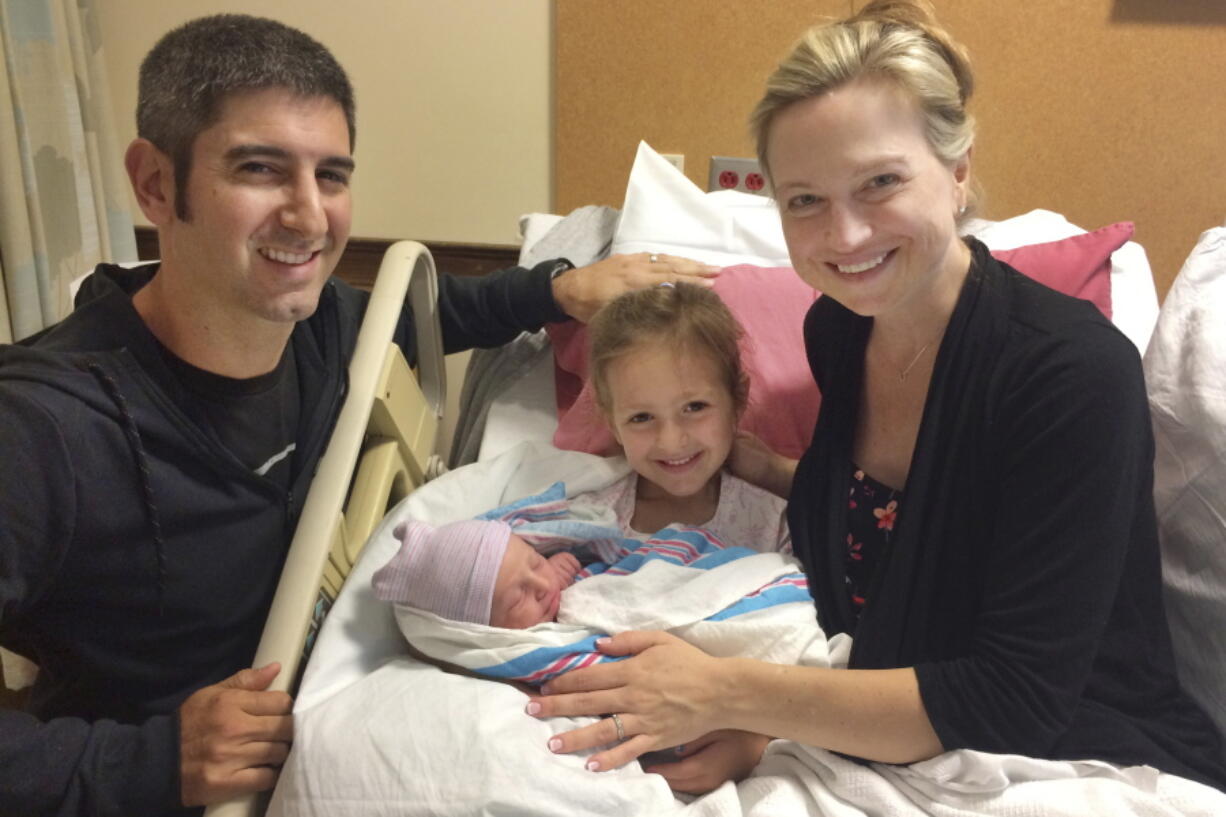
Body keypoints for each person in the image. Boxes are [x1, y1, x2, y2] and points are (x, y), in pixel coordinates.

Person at [0, 13, 717, 817]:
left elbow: (429, 310)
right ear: (156, 184)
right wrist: (147, 761)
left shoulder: (322, 327)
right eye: (260, 168)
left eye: (332, 175)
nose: (309, 216)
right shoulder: (43, 426)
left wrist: (553, 289)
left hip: (341, 722)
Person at [525, 0, 1226, 798]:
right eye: (804, 200)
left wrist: (726, 690)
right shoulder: (840, 330)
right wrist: (763, 724)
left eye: (881, 182)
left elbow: (1017, 696)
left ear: (958, 171)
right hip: (872, 722)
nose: (845, 235)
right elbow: (874, 526)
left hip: (1077, 755)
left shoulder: (1072, 376)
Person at [580, 282, 791, 553]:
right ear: (612, 422)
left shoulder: (773, 523)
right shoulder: (588, 521)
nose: (671, 441)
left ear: (737, 399)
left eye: (694, 407)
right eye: (641, 417)